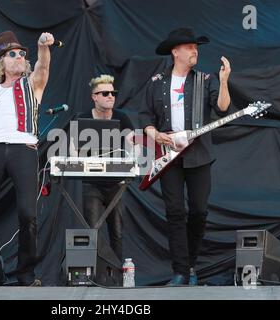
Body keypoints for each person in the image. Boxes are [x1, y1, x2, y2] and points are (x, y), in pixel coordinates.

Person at [139, 27, 231, 285]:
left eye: (196, 47)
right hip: (168, 155)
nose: (195, 51)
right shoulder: (157, 83)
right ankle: (181, 271)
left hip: (199, 153)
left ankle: (190, 264)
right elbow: (145, 116)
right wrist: (154, 133)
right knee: (175, 211)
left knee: (199, 210)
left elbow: (222, 108)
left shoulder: (206, 79)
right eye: (190, 47)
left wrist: (223, 81)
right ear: (175, 51)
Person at [0, 30, 54, 286]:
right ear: (0, 62)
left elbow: (43, 64)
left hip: (22, 148)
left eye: (22, 54)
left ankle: (26, 274)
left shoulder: (32, 83)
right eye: (12, 54)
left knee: (28, 213)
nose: (19, 57)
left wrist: (42, 46)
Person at [75, 75, 136, 263]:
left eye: (113, 93)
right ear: (94, 97)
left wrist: (133, 149)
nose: (111, 96)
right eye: (105, 93)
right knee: (92, 230)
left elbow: (134, 143)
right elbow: (72, 148)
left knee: (117, 232)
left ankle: (117, 274)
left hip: (116, 183)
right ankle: (95, 273)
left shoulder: (122, 118)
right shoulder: (83, 118)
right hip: (92, 183)